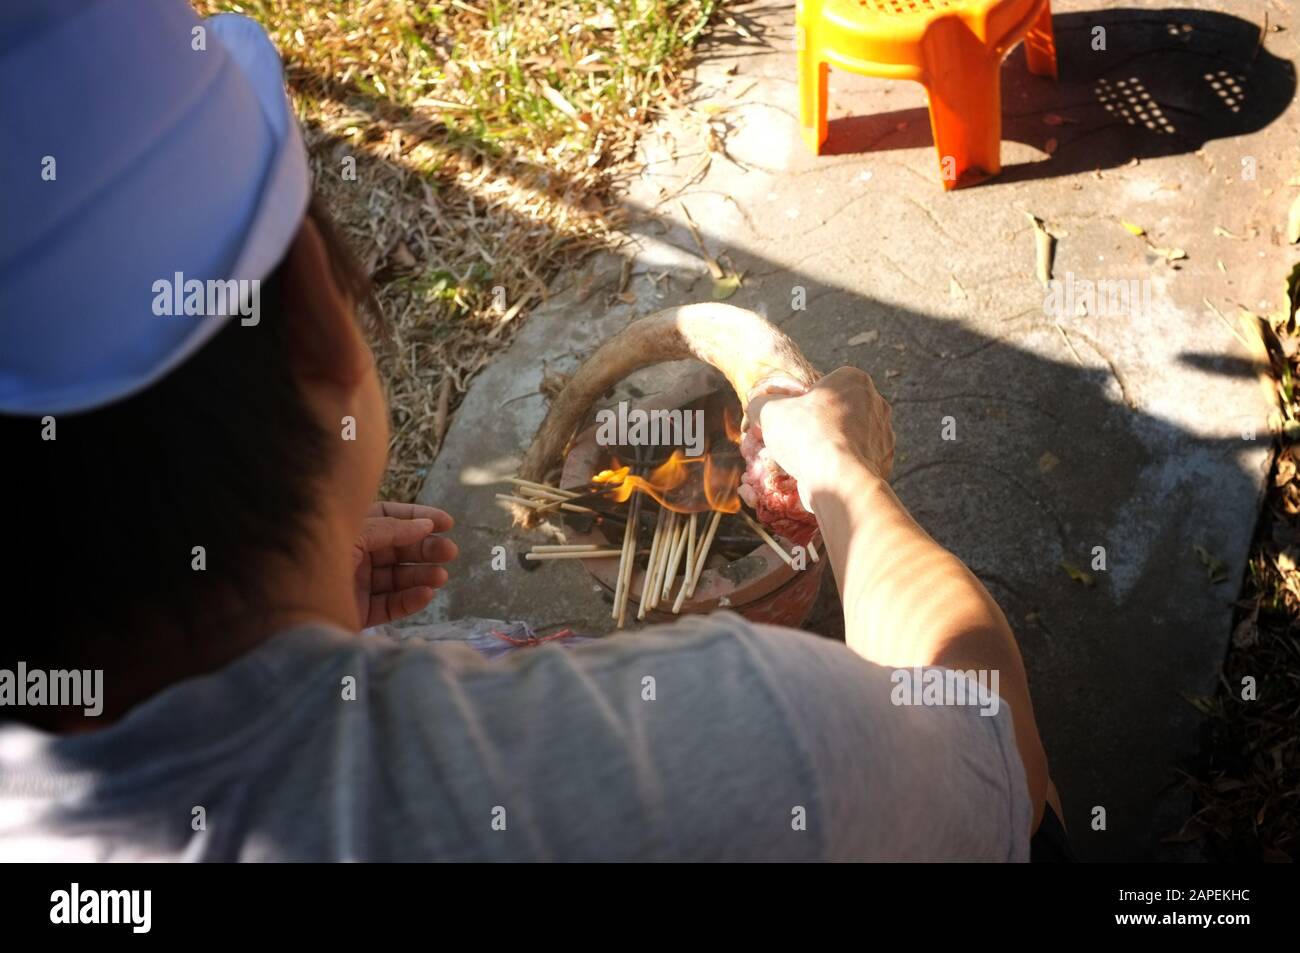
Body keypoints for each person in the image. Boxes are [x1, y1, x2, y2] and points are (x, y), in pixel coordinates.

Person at [0, 0, 1068, 861]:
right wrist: (843, 478)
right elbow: (996, 753)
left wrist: (311, 597)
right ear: (322, 325)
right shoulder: (752, 746)